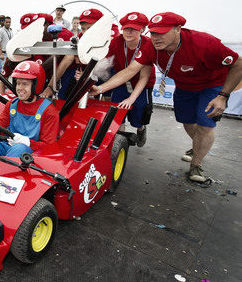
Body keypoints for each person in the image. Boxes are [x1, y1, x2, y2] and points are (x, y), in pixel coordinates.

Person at [90, 12, 242, 183]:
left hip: (212, 85)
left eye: (162, 32)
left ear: (178, 29)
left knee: (205, 124)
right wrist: (100, 88)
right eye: (154, 33)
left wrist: (223, 95)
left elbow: (238, 63)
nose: (156, 38)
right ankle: (198, 146)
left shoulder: (204, 42)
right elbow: (130, 70)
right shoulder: (151, 47)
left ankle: (196, 164)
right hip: (184, 86)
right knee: (186, 121)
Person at [105, 12, 156, 147]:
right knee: (117, 112)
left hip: (142, 83)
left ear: (142, 30)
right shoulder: (116, 42)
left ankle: (141, 129)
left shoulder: (149, 44)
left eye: (133, 29)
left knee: (139, 113)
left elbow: (144, 76)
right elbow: (104, 61)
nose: (129, 32)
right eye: (126, 28)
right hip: (121, 82)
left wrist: (131, 98)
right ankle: (121, 142)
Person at [0, 61, 59, 157]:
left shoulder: (49, 111)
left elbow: (48, 146)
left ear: (36, 86)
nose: (19, 88)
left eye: (25, 84)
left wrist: (27, 142)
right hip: (9, 147)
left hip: (32, 155)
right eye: (18, 83)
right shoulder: (11, 105)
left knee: (20, 148)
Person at [0, 16, 13, 85]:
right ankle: (1, 86)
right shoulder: (0, 31)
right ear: (4, 22)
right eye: (7, 22)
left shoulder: (10, 31)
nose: (8, 23)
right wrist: (1, 54)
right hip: (3, 53)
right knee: (2, 70)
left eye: (9, 22)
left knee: (7, 70)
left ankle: (5, 85)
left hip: (8, 53)